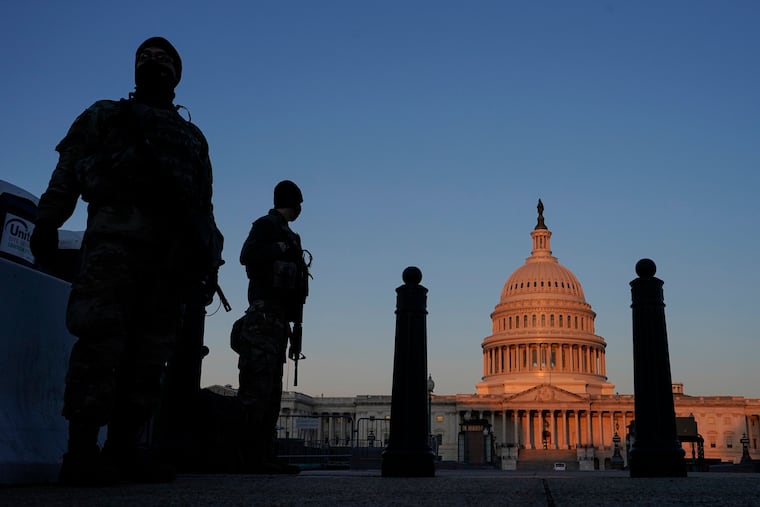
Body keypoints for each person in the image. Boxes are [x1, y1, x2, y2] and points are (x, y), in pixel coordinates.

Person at [30, 37, 223, 485]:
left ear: (178, 74)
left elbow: (202, 206)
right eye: (144, 58)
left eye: (163, 60)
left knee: (150, 356)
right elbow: (67, 172)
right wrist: (47, 221)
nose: (152, 64)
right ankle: (80, 451)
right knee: (99, 346)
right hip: (112, 248)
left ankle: (123, 447)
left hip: (168, 259)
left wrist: (207, 261)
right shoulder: (106, 114)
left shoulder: (192, 138)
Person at [233, 180, 309, 474]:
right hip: (263, 314)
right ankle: (247, 455)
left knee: (273, 390)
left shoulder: (292, 235)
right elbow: (247, 255)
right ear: (294, 203)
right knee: (257, 388)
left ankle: (263, 453)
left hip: (279, 317)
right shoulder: (266, 225)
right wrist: (279, 248)